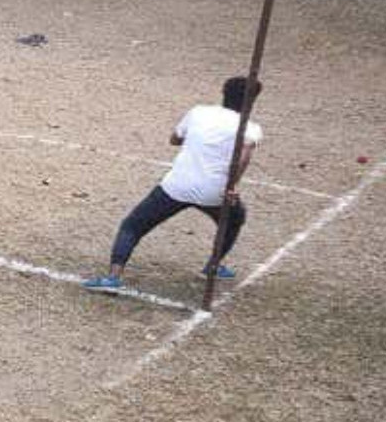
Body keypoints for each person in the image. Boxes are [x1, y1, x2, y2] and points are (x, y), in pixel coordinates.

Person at [85, 75, 262, 293]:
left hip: (176, 186)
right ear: (251, 102)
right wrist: (232, 185)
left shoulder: (199, 112)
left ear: (224, 94)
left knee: (133, 226)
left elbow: (175, 139)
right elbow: (243, 158)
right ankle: (213, 265)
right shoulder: (250, 128)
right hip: (214, 192)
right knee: (235, 219)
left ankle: (113, 276)